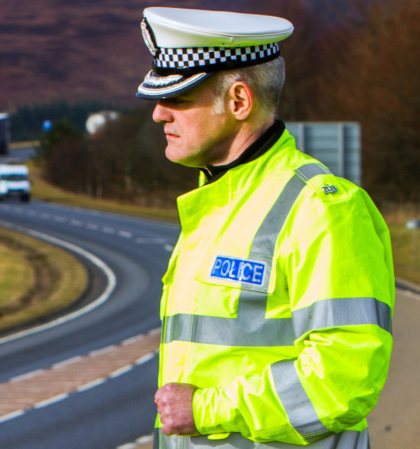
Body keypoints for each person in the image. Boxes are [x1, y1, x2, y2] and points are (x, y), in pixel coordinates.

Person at [135, 7, 394, 449]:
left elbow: (343, 378)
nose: (159, 114)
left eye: (177, 98)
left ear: (239, 101)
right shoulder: (215, 208)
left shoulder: (323, 210)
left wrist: (204, 410)